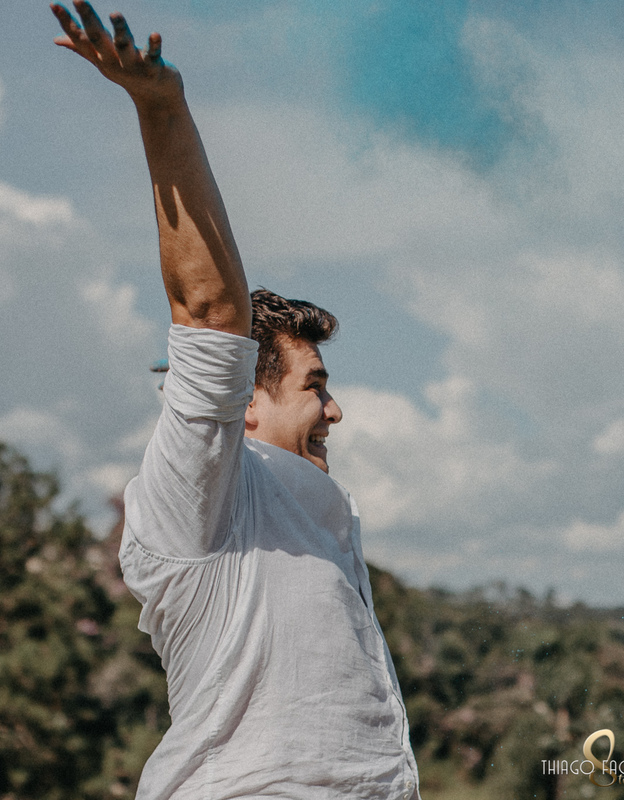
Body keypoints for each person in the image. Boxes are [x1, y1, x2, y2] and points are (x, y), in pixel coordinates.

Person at [51, 3, 420, 798]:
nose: (335, 412)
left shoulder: (317, 513)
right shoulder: (204, 497)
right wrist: (162, 109)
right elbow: (210, 310)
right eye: (315, 387)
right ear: (243, 402)